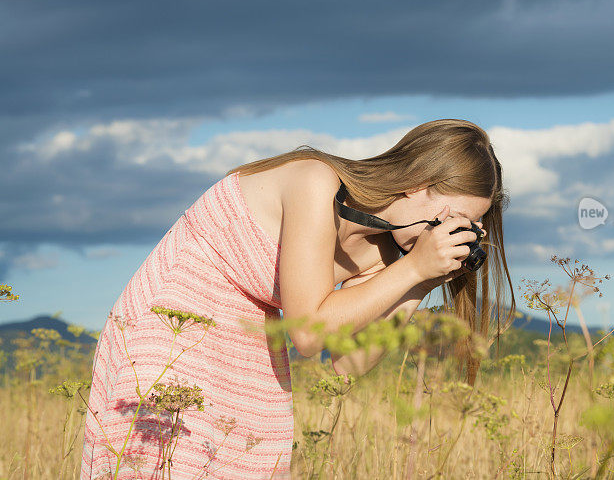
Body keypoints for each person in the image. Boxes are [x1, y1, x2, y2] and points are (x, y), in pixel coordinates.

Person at [80, 118, 516, 479]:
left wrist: (420, 282)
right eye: (451, 218)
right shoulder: (315, 180)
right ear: (415, 184)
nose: (452, 234)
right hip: (175, 318)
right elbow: (308, 333)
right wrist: (415, 268)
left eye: (467, 226)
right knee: (163, 463)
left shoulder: (392, 251)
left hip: (251, 336)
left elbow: (347, 364)